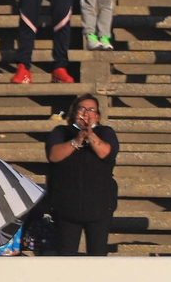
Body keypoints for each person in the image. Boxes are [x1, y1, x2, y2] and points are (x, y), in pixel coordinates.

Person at [45, 94, 119, 255]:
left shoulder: (106, 132)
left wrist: (90, 134)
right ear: (73, 112)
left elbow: (106, 153)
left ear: (97, 115)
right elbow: (53, 155)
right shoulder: (61, 132)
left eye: (91, 109)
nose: (86, 113)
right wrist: (77, 140)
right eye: (82, 108)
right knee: (66, 253)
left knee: (98, 253)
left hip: (99, 206)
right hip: (66, 206)